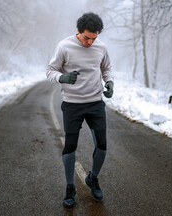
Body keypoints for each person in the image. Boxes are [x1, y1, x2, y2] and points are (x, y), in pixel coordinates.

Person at [46, 12, 114, 208]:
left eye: (94, 38)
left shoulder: (101, 46)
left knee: (102, 145)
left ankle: (93, 178)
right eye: (87, 37)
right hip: (72, 104)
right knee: (70, 145)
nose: (90, 42)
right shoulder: (64, 46)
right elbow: (50, 70)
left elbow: (106, 68)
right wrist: (62, 78)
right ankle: (70, 187)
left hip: (95, 103)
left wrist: (109, 83)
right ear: (78, 31)